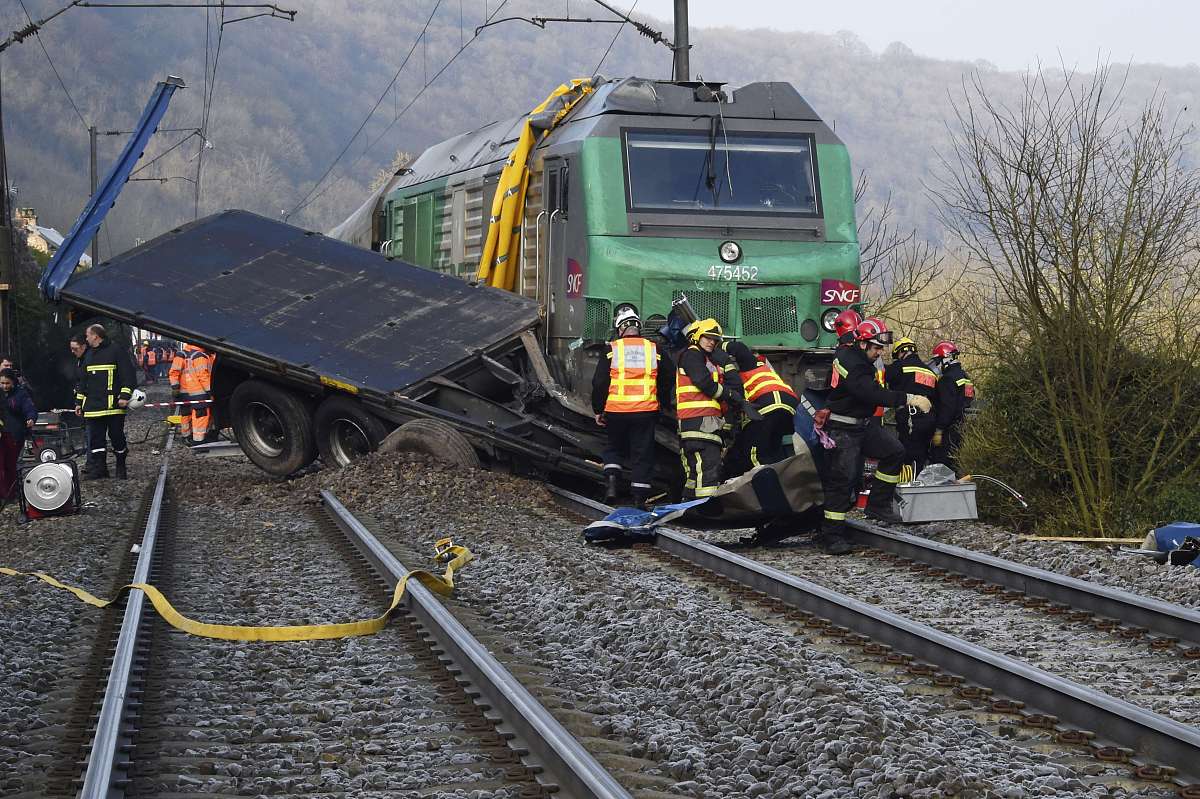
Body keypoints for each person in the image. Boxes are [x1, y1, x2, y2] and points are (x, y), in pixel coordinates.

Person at [818, 319, 932, 554]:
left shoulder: (859, 359)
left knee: (894, 451)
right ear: (862, 344)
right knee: (842, 480)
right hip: (843, 427)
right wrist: (908, 398)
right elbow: (870, 393)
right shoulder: (852, 363)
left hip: (862, 424)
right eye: (876, 348)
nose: (880, 353)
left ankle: (878, 505)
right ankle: (831, 536)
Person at [590, 304, 673, 506]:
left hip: (616, 410)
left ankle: (611, 485)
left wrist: (598, 409)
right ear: (638, 327)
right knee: (642, 453)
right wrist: (661, 399)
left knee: (614, 447)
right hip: (645, 411)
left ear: (620, 329)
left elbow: (599, 382)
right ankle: (639, 498)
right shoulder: (654, 349)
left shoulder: (611, 349)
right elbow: (670, 376)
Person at [677, 318, 744, 500]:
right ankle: (705, 507)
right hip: (700, 422)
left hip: (700, 422)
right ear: (697, 336)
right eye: (707, 338)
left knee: (695, 473)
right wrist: (729, 394)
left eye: (715, 340)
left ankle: (688, 504)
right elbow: (703, 381)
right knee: (709, 469)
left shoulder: (703, 358)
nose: (712, 342)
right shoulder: (692, 354)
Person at [722, 337, 797, 476]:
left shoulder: (749, 364)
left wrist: (717, 345)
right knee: (772, 448)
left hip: (768, 405)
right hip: (789, 406)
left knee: (754, 453)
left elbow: (738, 348)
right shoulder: (761, 368)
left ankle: (766, 483)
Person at [76, 324, 135, 480]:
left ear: (95, 336)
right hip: (93, 407)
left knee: (117, 437)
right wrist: (78, 402)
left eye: (88, 335)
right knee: (96, 441)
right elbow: (82, 381)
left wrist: (124, 396)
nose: (86, 338)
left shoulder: (116, 351)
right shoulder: (88, 355)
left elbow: (128, 375)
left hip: (113, 406)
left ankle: (121, 466)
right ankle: (100, 469)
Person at [884, 336, 939, 476]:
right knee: (921, 456)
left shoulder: (900, 366)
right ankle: (918, 480)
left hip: (910, 419)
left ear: (901, 352)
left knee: (906, 455)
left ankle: (906, 484)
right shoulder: (930, 372)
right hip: (930, 419)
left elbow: (882, 378)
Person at [929, 340, 974, 472]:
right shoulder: (965, 376)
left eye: (938, 361)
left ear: (946, 359)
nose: (937, 365)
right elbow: (969, 398)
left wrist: (939, 430)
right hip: (961, 427)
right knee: (955, 464)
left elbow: (947, 407)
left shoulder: (947, 379)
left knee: (941, 465)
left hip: (948, 431)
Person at [0, 369, 38, 499]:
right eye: (2, 383)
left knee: (10, 464)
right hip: (2, 433)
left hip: (14, 434)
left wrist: (31, 418)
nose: (5, 386)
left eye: (7, 383)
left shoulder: (21, 394)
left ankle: (11, 492)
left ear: (13, 382)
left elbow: (30, 408)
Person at [178, 343, 215, 446]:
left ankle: (197, 438)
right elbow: (203, 376)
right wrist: (211, 390)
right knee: (201, 415)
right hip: (200, 391)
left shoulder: (193, 355)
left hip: (195, 391)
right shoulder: (200, 356)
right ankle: (199, 440)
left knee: (199, 415)